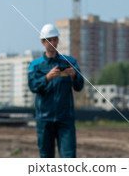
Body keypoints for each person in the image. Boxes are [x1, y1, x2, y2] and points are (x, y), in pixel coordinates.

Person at [28, 23, 84, 158]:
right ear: (43, 42)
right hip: (44, 119)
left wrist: (75, 75)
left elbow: (79, 86)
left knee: (69, 157)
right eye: (49, 40)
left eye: (55, 39)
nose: (52, 43)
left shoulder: (69, 62)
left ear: (58, 40)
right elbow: (33, 86)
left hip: (65, 119)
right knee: (46, 158)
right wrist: (46, 78)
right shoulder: (35, 65)